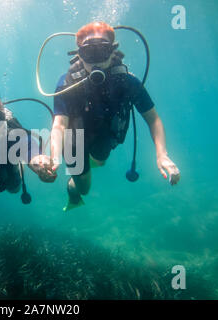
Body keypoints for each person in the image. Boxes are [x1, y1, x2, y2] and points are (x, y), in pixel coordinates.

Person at [48, 22, 181, 211]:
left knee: (100, 162)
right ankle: (74, 191)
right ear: (79, 54)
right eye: (88, 53)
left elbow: (153, 118)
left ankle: (81, 170)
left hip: (104, 135)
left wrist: (162, 155)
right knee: (84, 189)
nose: (95, 61)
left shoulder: (127, 81)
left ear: (112, 52)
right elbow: (60, 124)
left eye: (102, 51)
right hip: (73, 142)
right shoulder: (67, 83)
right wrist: (54, 156)